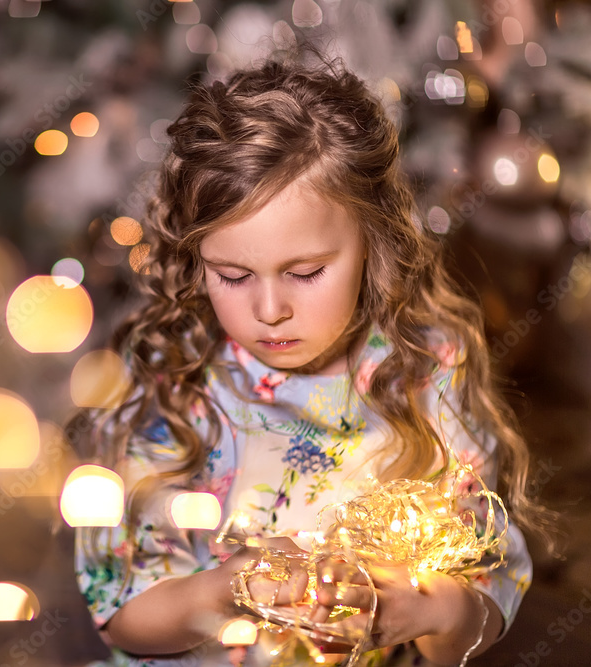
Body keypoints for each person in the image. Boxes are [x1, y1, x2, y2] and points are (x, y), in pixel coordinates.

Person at [70, 53, 555, 667]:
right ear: (197, 262)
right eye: (233, 275)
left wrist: (435, 610)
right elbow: (124, 619)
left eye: (305, 273)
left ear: (374, 243)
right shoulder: (176, 382)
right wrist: (231, 589)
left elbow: (479, 613)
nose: (270, 308)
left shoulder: (424, 374)